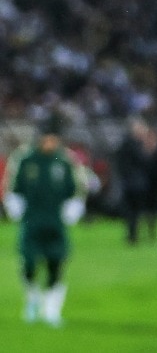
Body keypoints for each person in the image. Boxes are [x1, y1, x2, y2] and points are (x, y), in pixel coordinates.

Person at [3, 113, 85, 327]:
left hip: (56, 223)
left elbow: (77, 188)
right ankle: (32, 298)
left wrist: (74, 207)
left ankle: (51, 309)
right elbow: (12, 187)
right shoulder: (25, 159)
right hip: (31, 221)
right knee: (29, 263)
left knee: (56, 263)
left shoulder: (65, 160)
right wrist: (13, 205)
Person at [114, 117, 154, 244]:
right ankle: (134, 236)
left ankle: (131, 234)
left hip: (127, 182)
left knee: (130, 211)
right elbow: (144, 161)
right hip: (137, 183)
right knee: (137, 211)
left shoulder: (123, 144)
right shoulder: (135, 145)